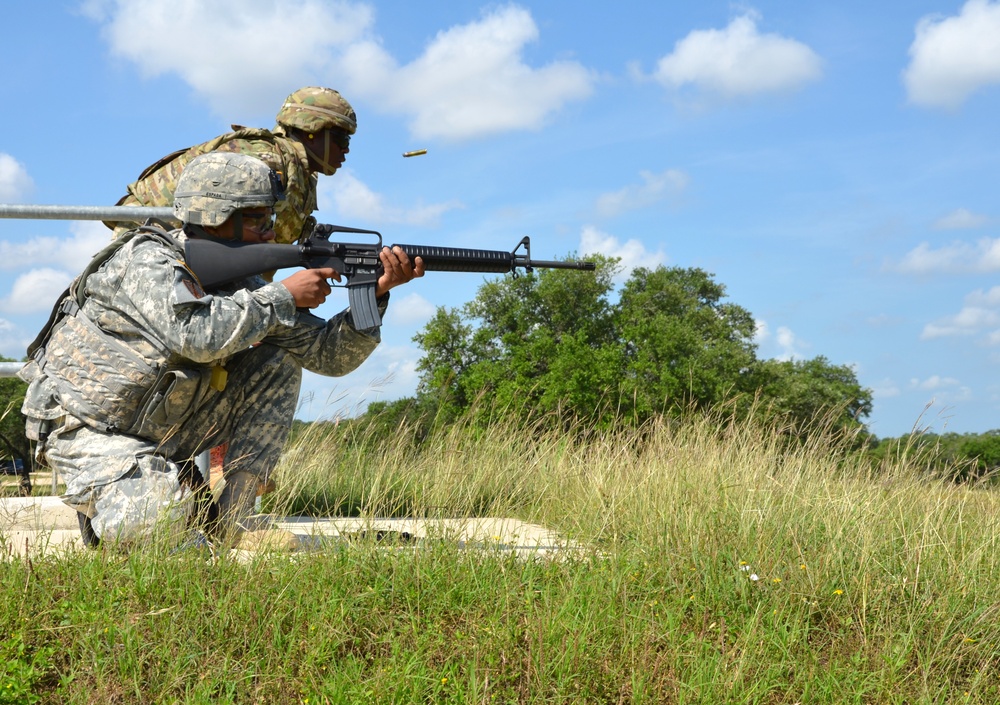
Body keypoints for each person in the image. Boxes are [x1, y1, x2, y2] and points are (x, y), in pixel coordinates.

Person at [19, 152, 424, 548]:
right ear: (215, 217)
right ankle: (116, 495)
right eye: (259, 219)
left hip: (159, 426)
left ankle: (235, 518)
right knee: (156, 526)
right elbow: (195, 335)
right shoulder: (146, 260)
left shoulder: (241, 285)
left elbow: (328, 356)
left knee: (275, 361)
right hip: (88, 426)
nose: (271, 231)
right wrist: (283, 296)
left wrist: (373, 295)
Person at [106, 86, 356, 246]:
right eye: (341, 138)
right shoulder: (261, 161)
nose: (346, 148)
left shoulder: (300, 175)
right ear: (311, 131)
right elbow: (221, 234)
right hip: (148, 238)